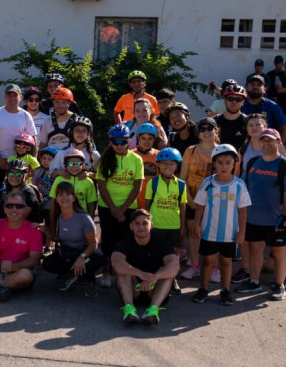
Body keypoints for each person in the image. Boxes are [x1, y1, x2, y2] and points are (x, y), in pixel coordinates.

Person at [236, 129, 286, 300]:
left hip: (275, 219)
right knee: (255, 249)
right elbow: (244, 185)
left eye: (271, 141)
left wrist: (284, 216)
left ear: (278, 142)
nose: (267, 144)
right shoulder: (254, 161)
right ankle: (254, 282)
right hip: (253, 217)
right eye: (264, 141)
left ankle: (280, 284)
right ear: (260, 143)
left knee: (278, 251)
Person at [191, 144, 250, 306]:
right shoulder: (208, 183)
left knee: (226, 261)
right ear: (214, 164)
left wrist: (242, 232)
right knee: (208, 260)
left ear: (234, 164)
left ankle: (225, 290)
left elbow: (243, 211)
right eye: (220, 162)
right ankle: (203, 288)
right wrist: (196, 224)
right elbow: (200, 205)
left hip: (230, 234)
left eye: (228, 163)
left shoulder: (239, 185)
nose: (224, 166)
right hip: (210, 231)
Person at [95, 123, 144, 287]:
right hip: (107, 206)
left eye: (122, 141)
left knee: (127, 240)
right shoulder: (104, 160)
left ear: (129, 141)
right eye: (115, 142)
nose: (119, 145)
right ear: (110, 142)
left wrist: (122, 210)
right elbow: (101, 185)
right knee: (108, 240)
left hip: (128, 207)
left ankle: (124, 271)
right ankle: (107, 270)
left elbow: (137, 186)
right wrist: (114, 209)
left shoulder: (137, 159)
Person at [111, 210, 181, 325]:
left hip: (154, 289)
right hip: (133, 290)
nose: (141, 227)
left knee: (167, 274)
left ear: (151, 225)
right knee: (123, 270)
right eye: (137, 224)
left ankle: (153, 311)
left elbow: (174, 265)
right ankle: (129, 310)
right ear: (131, 226)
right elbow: (116, 262)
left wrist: (155, 276)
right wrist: (140, 274)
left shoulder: (160, 241)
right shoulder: (125, 241)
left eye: (144, 223)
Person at [179, 117, 221, 281]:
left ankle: (215, 268)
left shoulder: (222, 150)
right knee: (194, 232)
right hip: (192, 199)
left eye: (209, 128)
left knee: (213, 235)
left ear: (216, 131)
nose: (206, 132)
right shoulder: (190, 151)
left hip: (215, 201)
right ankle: (195, 265)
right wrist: (189, 199)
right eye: (202, 129)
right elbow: (183, 178)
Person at [42, 181, 102, 294]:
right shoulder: (57, 217)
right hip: (68, 253)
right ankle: (72, 274)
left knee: (92, 263)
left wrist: (82, 257)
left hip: (86, 253)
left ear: (74, 198)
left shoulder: (84, 218)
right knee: (47, 264)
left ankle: (89, 279)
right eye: (60, 194)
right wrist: (44, 229)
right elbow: (56, 238)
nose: (64, 198)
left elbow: (93, 244)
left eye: (68, 194)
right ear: (56, 198)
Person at [0, 84, 37, 190]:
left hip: (20, 161)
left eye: (15, 95)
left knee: (19, 192)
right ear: (5, 97)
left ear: (20, 97)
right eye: (9, 95)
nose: (12, 98)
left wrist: (32, 162)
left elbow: (33, 141)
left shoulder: (26, 115)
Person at [143, 147, 187, 264]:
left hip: (174, 225)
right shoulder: (153, 182)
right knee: (155, 252)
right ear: (159, 165)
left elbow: (183, 207)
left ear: (177, 166)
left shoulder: (181, 185)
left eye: (172, 164)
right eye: (164, 164)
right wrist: (146, 222)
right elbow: (147, 204)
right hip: (156, 224)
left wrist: (183, 226)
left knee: (174, 253)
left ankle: (172, 278)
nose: (168, 166)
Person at [242, 74, 286, 147]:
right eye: (252, 84)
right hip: (243, 148)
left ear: (264, 89)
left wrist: (278, 147)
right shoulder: (239, 103)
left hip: (266, 148)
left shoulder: (272, 106)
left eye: (259, 85)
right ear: (246, 87)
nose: (255, 87)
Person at [0, 159, 45, 223]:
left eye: (18, 174)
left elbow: (18, 218)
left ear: (25, 176)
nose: (14, 177)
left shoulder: (29, 193)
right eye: (11, 174)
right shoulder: (3, 192)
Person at [51, 149, 97, 216]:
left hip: (82, 218)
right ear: (65, 165)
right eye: (70, 163)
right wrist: (53, 223)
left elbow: (91, 204)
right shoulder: (59, 180)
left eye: (78, 163)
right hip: (62, 217)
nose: (74, 167)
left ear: (83, 165)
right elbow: (52, 201)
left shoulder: (88, 182)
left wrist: (91, 222)